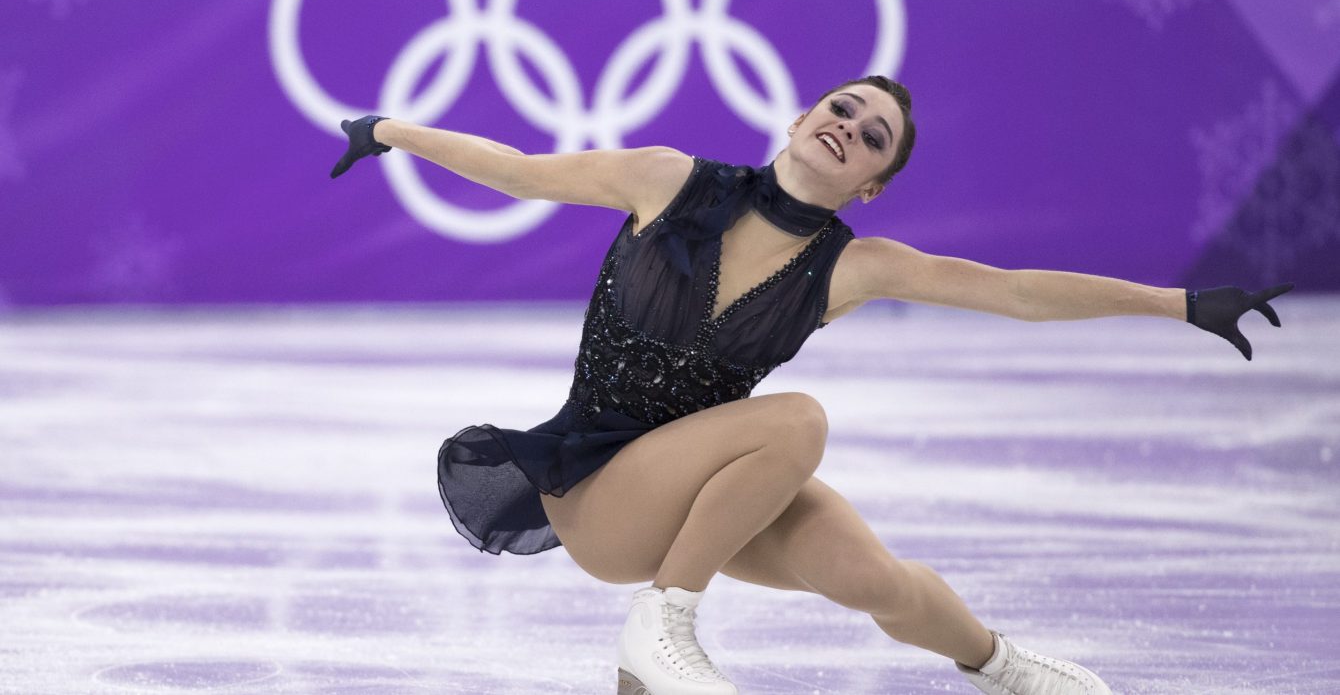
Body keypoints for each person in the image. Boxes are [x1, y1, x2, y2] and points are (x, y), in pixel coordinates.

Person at [330, 75, 1292, 695]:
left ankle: (997, 664)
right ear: (799, 117)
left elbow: (1015, 294)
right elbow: (523, 173)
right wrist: (387, 130)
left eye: (873, 137)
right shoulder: (669, 179)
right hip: (596, 492)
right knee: (794, 421)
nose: (848, 129)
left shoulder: (852, 267)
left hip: (708, 484)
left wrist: (1180, 304)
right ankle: (663, 621)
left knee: (871, 577)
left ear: (872, 184)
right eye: (841, 109)